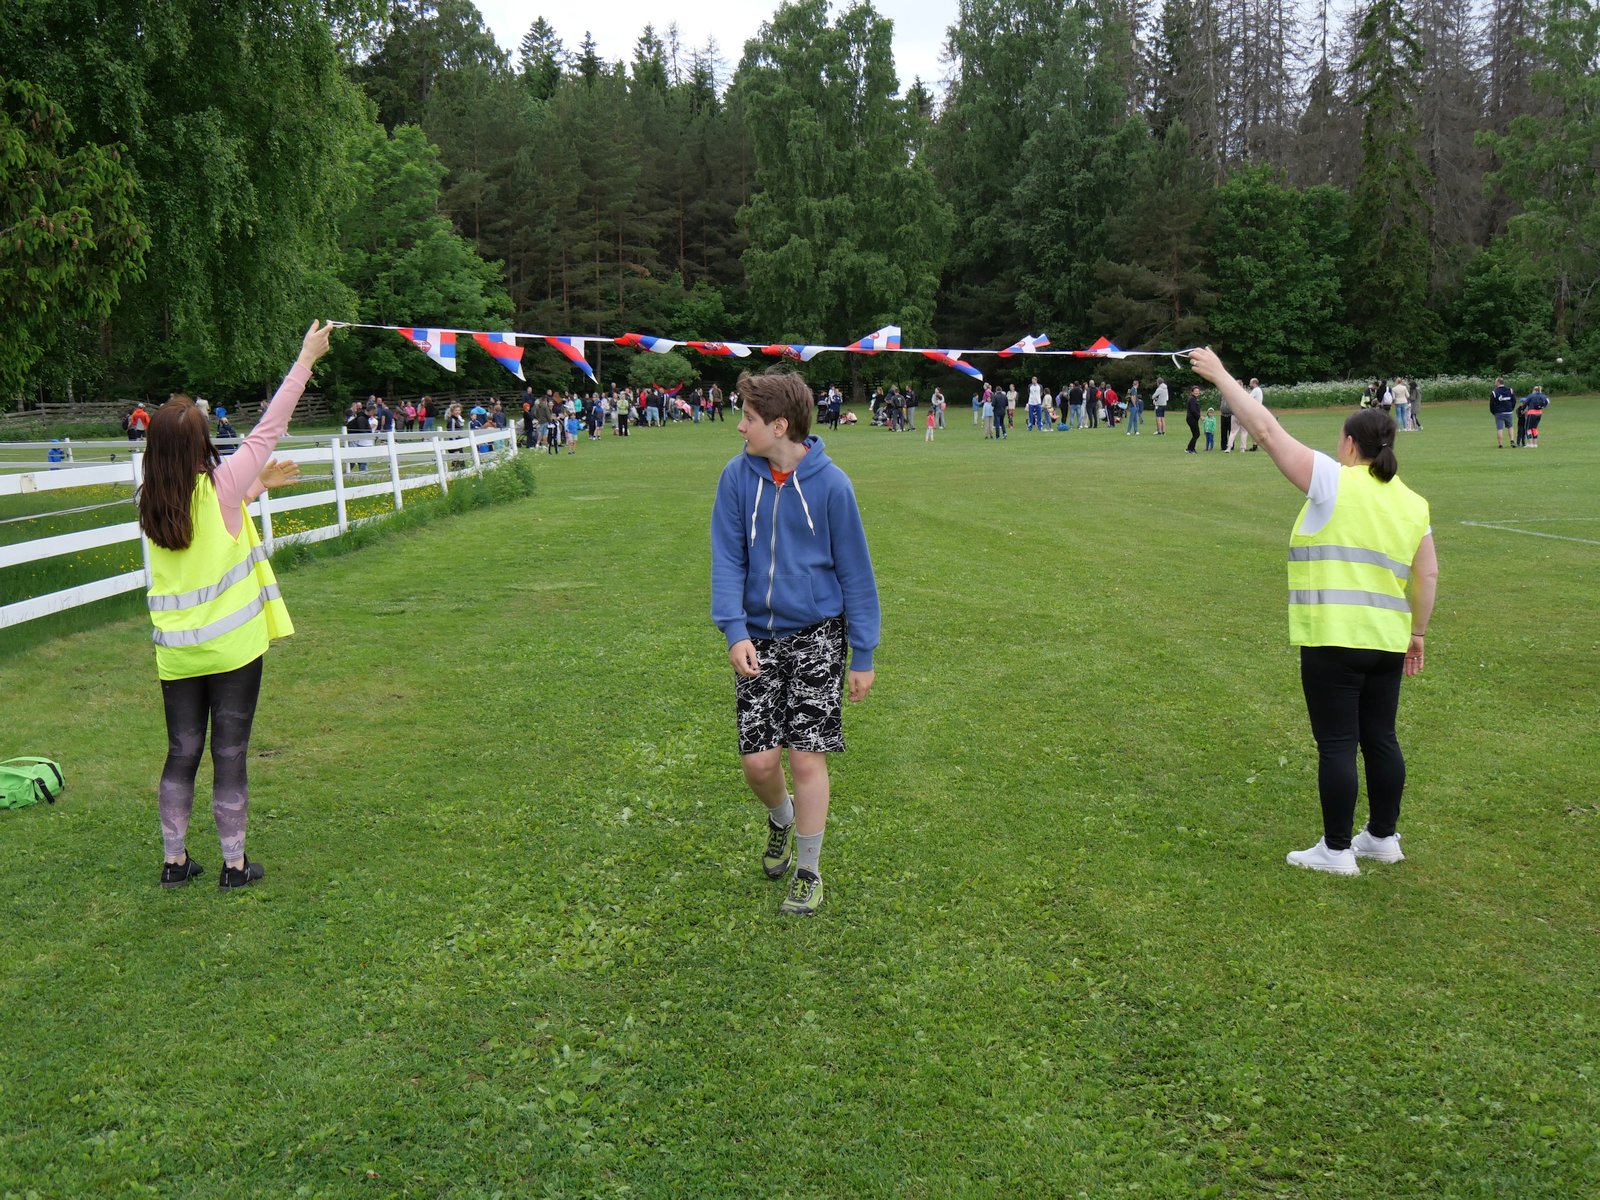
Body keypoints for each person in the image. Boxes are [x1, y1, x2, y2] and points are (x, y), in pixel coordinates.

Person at [1190, 347, 1437, 877]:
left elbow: (1265, 430)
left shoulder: (1332, 479)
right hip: (1388, 641)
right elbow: (1428, 575)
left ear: (1349, 444)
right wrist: (1417, 633)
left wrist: (1220, 375)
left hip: (1334, 639)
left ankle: (1337, 849)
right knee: (1381, 739)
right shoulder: (1414, 502)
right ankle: (1382, 838)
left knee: (1338, 743)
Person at [137, 319, 334, 890]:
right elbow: (271, 427)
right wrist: (306, 358)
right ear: (200, 444)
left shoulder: (148, 501)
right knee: (229, 753)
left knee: (181, 752)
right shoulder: (220, 488)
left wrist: (256, 487)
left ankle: (175, 862)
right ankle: (234, 865)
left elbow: (206, 516)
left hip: (177, 654)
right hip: (232, 651)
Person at [711, 369, 880, 917]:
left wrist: (864, 655)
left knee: (807, 758)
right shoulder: (736, 478)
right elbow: (727, 559)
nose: (740, 427)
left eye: (749, 419)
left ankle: (809, 870)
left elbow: (856, 574)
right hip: (757, 639)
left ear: (780, 426)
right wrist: (735, 631)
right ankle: (780, 817)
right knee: (760, 765)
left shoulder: (833, 486)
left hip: (818, 636)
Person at [1490, 377, 1516, 448]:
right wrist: (1511, 409)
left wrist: (1494, 412)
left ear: (1498, 382)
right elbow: (1514, 400)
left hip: (1499, 412)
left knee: (1500, 428)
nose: (1495, 383)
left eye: (1495, 382)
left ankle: (1500, 444)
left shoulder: (1494, 392)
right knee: (1510, 426)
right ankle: (1512, 441)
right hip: (1508, 411)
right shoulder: (1510, 390)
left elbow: (1492, 404)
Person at [1185, 385, 1202, 454]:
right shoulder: (1192, 399)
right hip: (1191, 419)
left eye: (1198, 391)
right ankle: (1190, 449)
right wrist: (1200, 416)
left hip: (1193, 419)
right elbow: (1193, 410)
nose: (1197, 392)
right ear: (1192, 392)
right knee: (1197, 434)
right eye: (1195, 391)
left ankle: (1191, 448)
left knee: (1195, 434)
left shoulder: (1193, 398)